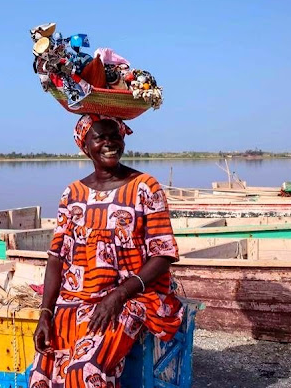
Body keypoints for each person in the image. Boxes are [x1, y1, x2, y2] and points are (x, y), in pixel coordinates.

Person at [29, 114, 184, 388]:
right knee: (43, 374)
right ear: (85, 146)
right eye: (100, 137)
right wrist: (45, 313)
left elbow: (163, 253)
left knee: (84, 370)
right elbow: (56, 258)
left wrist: (118, 295)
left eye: (115, 136)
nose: (109, 143)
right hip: (75, 298)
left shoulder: (145, 187)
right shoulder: (72, 194)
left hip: (132, 297)